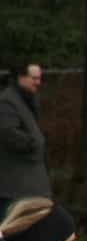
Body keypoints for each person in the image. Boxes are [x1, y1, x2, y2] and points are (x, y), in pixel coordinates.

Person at [0, 60, 46, 204]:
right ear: (21, 77)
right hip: (16, 185)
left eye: (39, 78)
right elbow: (8, 132)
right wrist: (33, 144)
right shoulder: (7, 103)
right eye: (34, 78)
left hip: (28, 183)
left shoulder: (26, 100)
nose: (38, 82)